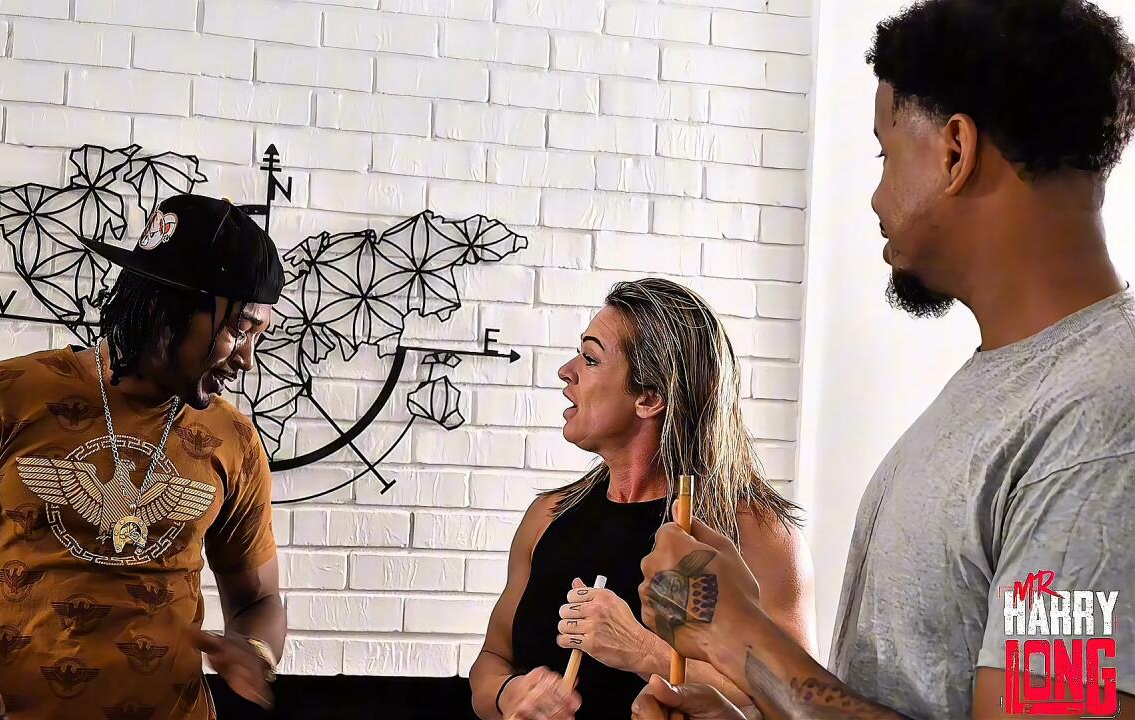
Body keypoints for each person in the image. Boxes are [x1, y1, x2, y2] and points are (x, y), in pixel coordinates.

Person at [635, 1, 1135, 718]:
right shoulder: (1014, 389)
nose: (875, 197)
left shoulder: (1100, 419)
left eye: (885, 153)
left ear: (955, 151)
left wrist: (743, 635)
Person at [0, 195, 288, 720]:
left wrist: (254, 651)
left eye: (259, 336)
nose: (248, 360)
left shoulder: (233, 439)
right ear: (164, 306)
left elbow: (259, 600)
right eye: (239, 330)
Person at [469, 278, 816, 720]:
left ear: (649, 398)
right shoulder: (547, 517)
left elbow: (800, 704)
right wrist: (508, 694)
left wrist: (641, 650)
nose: (567, 371)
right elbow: (492, 659)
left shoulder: (758, 532)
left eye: (591, 359)